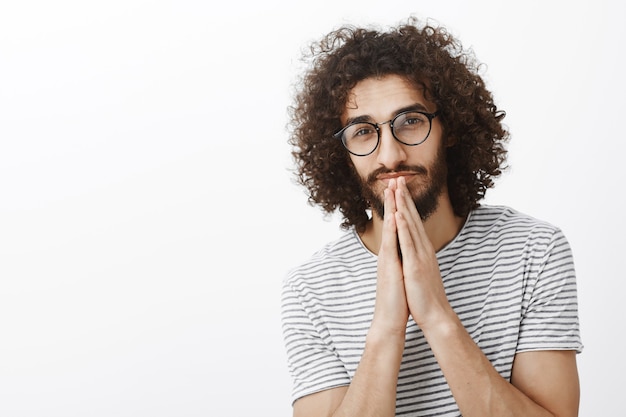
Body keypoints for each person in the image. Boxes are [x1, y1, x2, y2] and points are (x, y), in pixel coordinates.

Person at [280, 16, 583, 417]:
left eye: (410, 122)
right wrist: (387, 329)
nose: (390, 156)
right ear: (341, 152)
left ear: (450, 128)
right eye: (363, 131)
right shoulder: (310, 290)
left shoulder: (534, 250)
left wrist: (437, 317)